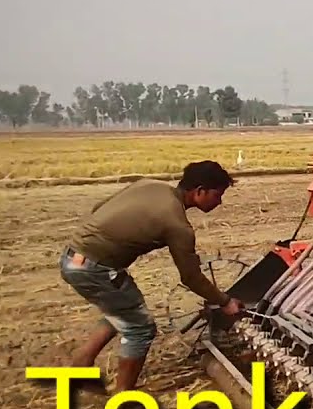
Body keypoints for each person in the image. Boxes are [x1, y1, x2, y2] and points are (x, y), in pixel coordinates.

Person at [58, 160, 245, 393]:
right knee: (140, 328)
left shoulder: (149, 185)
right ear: (199, 192)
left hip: (73, 257)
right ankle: (124, 396)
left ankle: (80, 366)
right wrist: (225, 301)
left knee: (122, 310)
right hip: (95, 268)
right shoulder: (178, 225)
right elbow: (190, 277)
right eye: (218, 195)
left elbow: (99, 207)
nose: (220, 201)